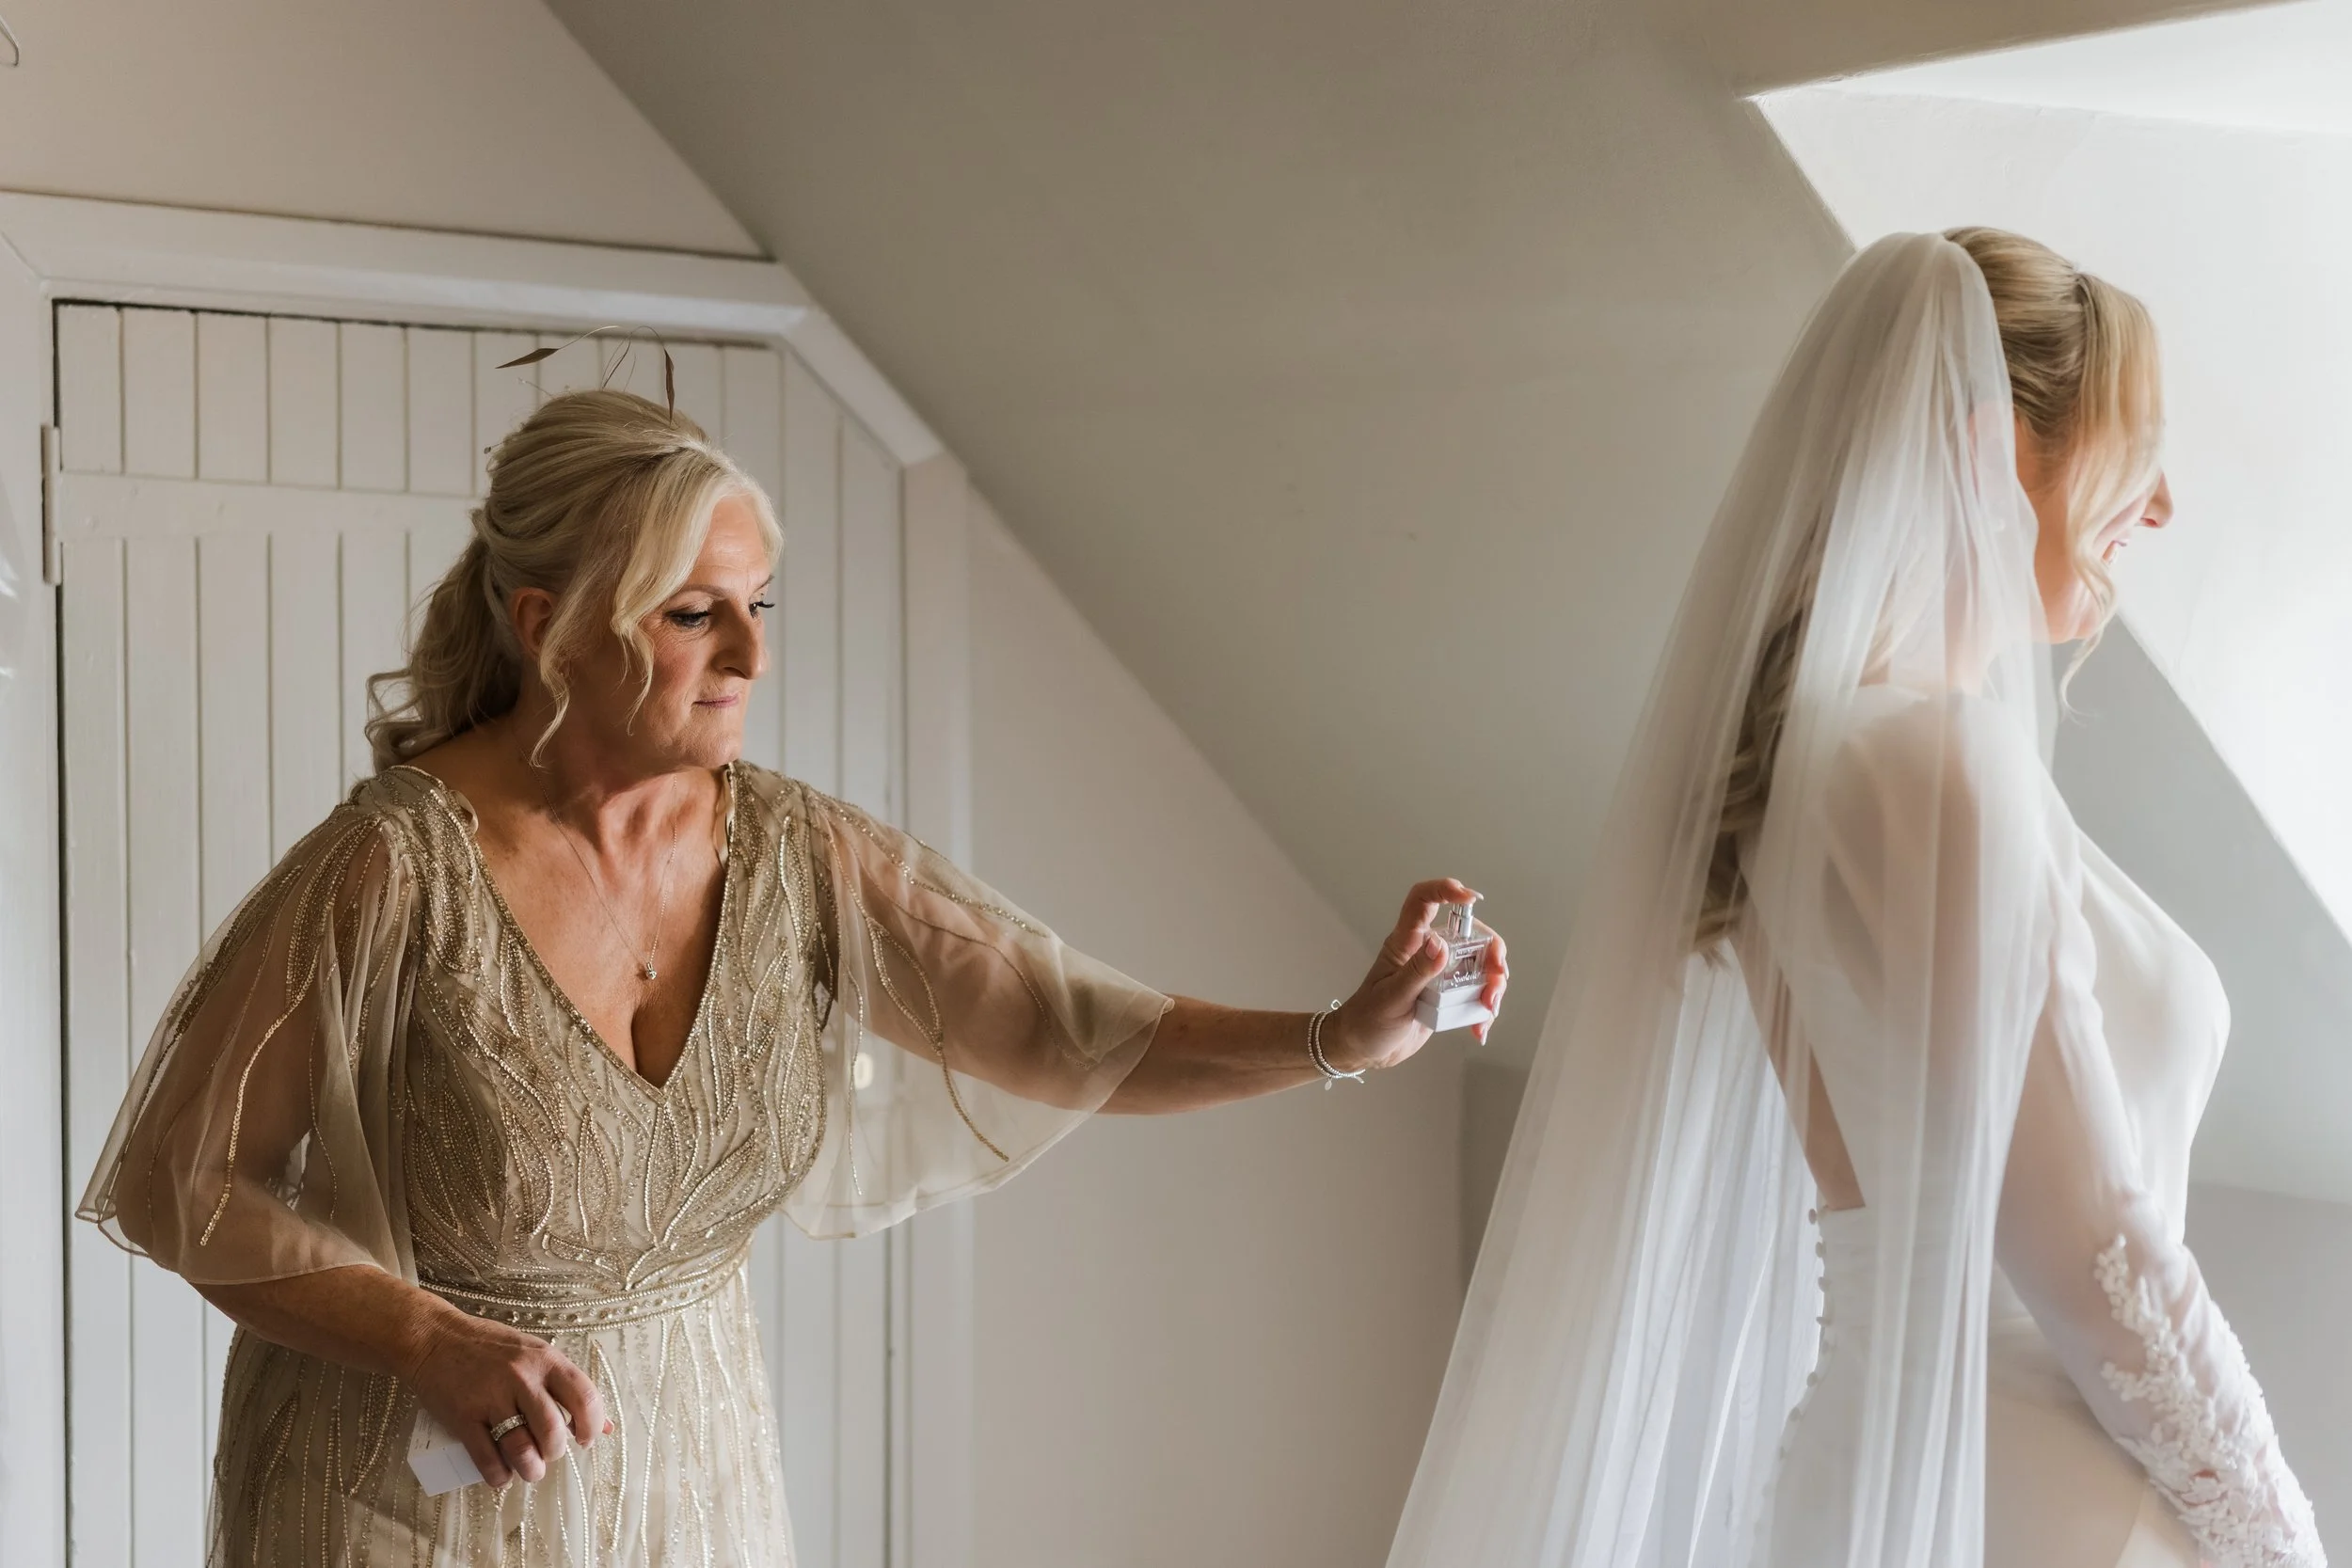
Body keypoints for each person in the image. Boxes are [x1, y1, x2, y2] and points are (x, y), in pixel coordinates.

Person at [77, 388, 1509, 1567]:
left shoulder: (794, 852)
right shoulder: (393, 867)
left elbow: (1066, 1030)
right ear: (545, 622)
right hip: (402, 1498)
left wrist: (1341, 1034)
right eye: (694, 614)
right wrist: (425, 1335)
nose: (753, 653)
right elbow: (176, 1179)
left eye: (760, 602)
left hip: (692, 1481)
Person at [1384, 230, 2322, 1568]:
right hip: (2044, 1497)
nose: (2161, 507)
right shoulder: (1938, 765)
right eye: (2136, 451)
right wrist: (2285, 1539)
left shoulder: (1822, 760)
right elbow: (2095, 1257)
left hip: (1877, 1472)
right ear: (1998, 448)